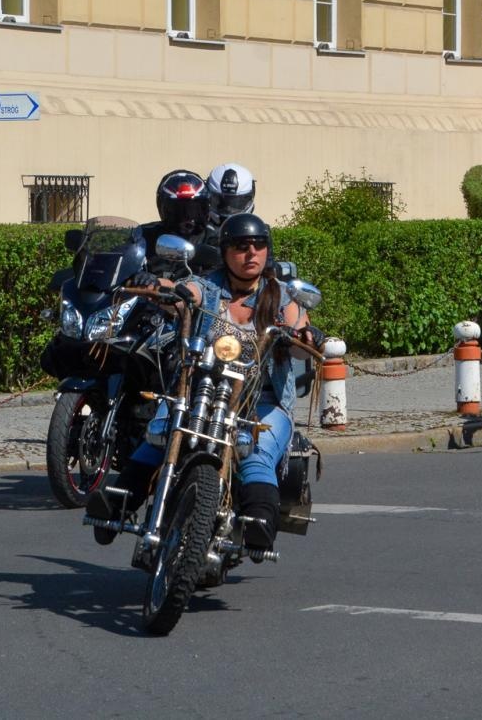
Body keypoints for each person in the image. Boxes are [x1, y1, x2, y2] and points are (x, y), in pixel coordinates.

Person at [88, 212, 314, 557]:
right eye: (240, 246)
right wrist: (154, 284)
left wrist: (304, 336)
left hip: (262, 400)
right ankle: (117, 504)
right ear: (224, 251)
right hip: (200, 391)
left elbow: (301, 339)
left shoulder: (280, 298)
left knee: (256, 454)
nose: (250, 253)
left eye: (258, 245)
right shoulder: (209, 287)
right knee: (162, 434)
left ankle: (257, 524)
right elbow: (183, 293)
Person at [137, 169, 219, 275]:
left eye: (194, 211)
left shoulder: (215, 239)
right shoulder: (144, 236)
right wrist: (137, 275)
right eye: (179, 211)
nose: (188, 218)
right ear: (164, 209)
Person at [206, 163, 257, 230]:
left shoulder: (255, 230)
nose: (228, 209)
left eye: (235, 202)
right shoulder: (200, 232)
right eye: (221, 201)